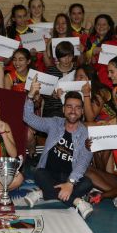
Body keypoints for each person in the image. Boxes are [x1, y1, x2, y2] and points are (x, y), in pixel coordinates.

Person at [23, 79, 94, 219]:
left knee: (87, 183)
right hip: (49, 173)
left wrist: (70, 183)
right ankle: (77, 201)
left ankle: (43, 193)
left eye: (78, 107)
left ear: (82, 111)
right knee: (39, 173)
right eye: (69, 106)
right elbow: (29, 118)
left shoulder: (86, 133)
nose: (73, 111)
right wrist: (30, 96)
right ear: (63, 109)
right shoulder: (54, 123)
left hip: (70, 175)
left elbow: (83, 162)